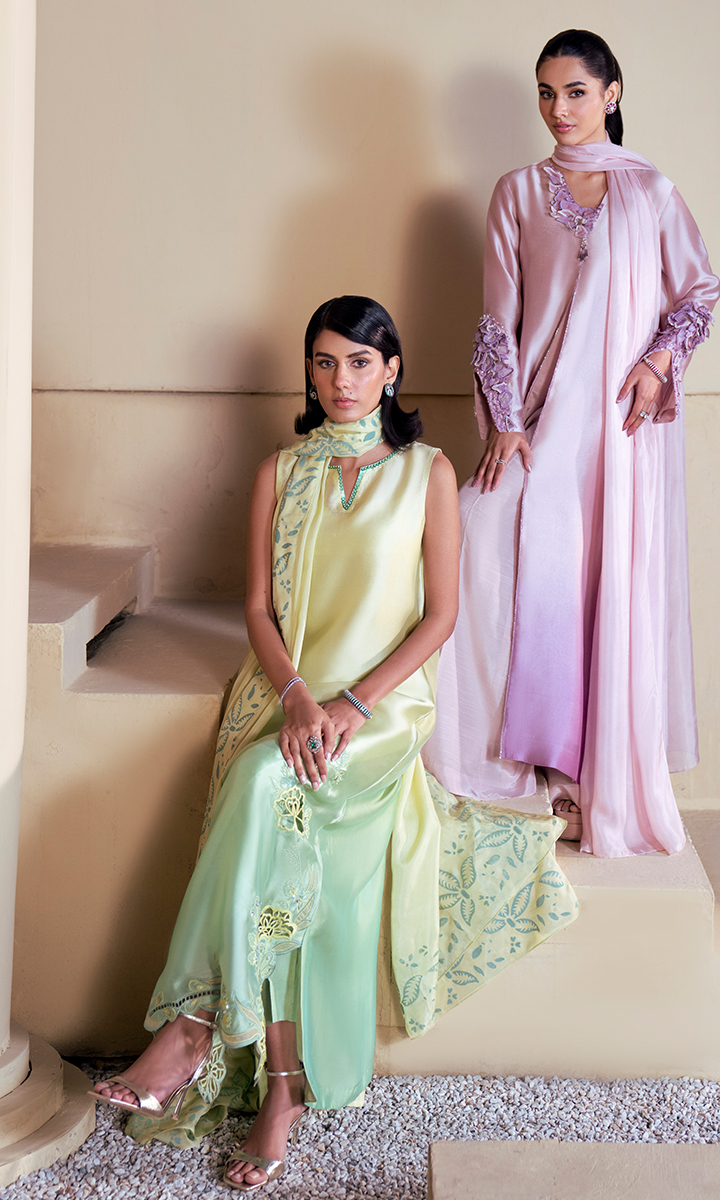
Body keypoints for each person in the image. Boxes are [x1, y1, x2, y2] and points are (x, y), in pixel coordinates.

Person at [91, 296, 578, 1192]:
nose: (340, 380)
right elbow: (256, 610)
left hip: (381, 710)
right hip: (292, 695)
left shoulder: (428, 472)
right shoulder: (283, 471)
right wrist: (296, 699)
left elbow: (440, 617)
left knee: (264, 786)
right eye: (324, 362)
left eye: (359, 362)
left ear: (392, 371)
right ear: (308, 372)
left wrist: (352, 704)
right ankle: (279, 1088)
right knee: (279, 813)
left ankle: (192, 1024)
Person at [423, 30, 720, 859]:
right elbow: (498, 321)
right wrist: (507, 422)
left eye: (576, 92)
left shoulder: (651, 191)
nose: (559, 109)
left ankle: (586, 784)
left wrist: (659, 363)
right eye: (547, 93)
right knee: (487, 554)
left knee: (596, 590)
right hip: (537, 423)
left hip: (616, 433)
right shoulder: (517, 192)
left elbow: (698, 292)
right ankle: (511, 768)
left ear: (612, 94)